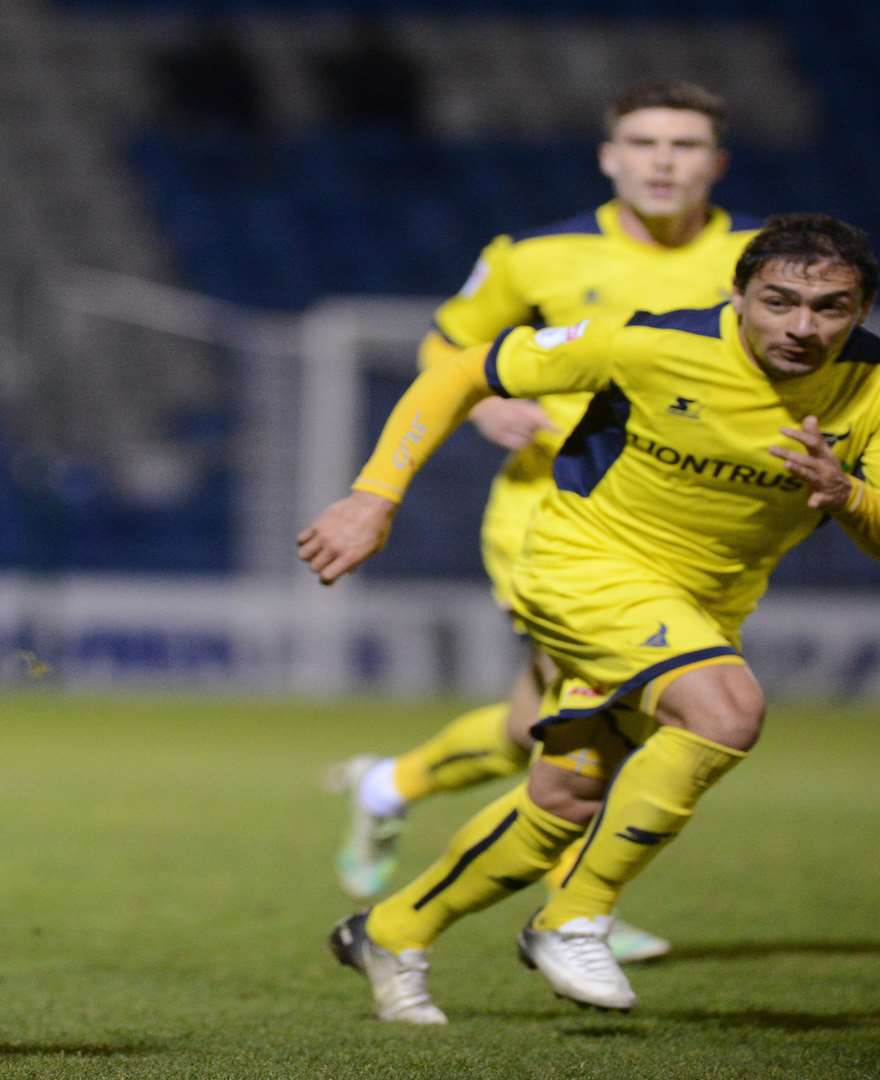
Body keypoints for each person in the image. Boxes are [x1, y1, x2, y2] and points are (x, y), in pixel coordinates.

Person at [300, 213, 880, 1022]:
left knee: (565, 797)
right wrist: (374, 496)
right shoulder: (646, 341)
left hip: (703, 604)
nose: (802, 326)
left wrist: (848, 494)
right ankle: (574, 917)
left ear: (860, 313)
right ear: (738, 295)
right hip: (582, 567)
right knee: (726, 710)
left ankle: (393, 929)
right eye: (779, 302)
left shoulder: (872, 388)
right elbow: (461, 370)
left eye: (831, 309)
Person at [330, 81, 758, 964]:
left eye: (685, 145)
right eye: (644, 143)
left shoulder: (762, 265)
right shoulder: (536, 257)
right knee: (604, 713)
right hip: (555, 516)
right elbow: (451, 346)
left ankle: (390, 785)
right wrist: (485, 412)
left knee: (541, 724)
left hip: (684, 526)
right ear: (610, 157)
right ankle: (572, 910)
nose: (663, 161)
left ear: (716, 162)